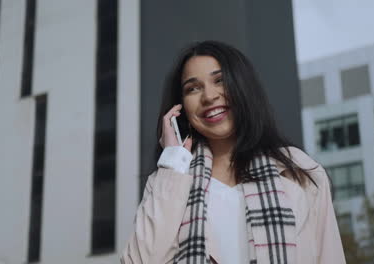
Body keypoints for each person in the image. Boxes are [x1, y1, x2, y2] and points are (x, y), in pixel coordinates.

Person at [121, 40, 346, 263]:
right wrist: (173, 161)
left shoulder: (299, 171)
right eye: (193, 88)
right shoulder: (171, 178)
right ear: (181, 108)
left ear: (243, 87)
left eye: (220, 80)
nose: (209, 97)